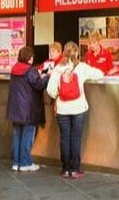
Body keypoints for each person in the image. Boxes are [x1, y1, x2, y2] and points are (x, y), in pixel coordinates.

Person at [46, 41, 103, 179]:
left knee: (64, 138)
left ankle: (65, 169)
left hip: (62, 109)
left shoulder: (58, 69)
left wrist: (59, 96)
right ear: (77, 53)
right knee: (76, 138)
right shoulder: (82, 67)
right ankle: (75, 169)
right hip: (78, 108)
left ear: (64, 53)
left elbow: (50, 90)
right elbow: (100, 73)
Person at [6, 47, 49, 172]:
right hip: (28, 110)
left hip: (15, 109)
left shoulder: (15, 69)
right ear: (29, 57)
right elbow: (39, 85)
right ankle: (25, 162)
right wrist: (47, 77)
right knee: (27, 135)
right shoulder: (30, 70)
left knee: (17, 135)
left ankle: (16, 162)